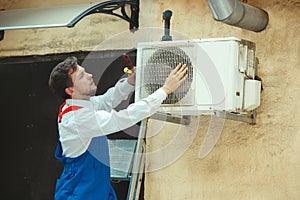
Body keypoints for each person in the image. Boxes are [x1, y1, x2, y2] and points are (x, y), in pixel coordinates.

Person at [48, 56, 188, 200]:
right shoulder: (78, 119)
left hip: (95, 186)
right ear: (70, 90)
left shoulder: (78, 106)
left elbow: (106, 100)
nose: (90, 76)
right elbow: (123, 118)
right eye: (82, 76)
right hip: (80, 192)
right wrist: (165, 90)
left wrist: (130, 82)